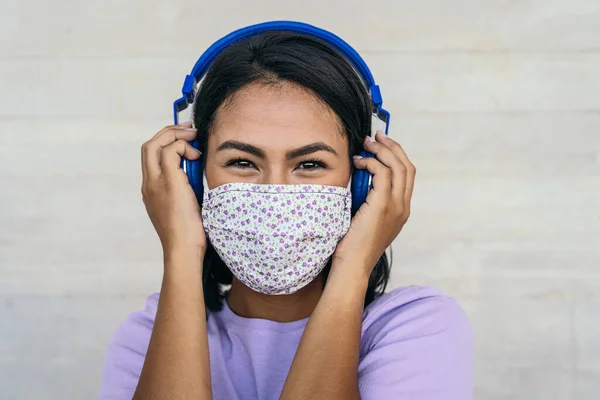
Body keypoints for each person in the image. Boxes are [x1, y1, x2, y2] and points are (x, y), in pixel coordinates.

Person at [99, 30, 472, 400]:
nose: (274, 191)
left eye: (310, 164)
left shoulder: (419, 328)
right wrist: (180, 250)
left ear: (361, 181)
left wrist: (353, 267)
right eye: (242, 162)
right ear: (196, 179)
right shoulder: (147, 336)